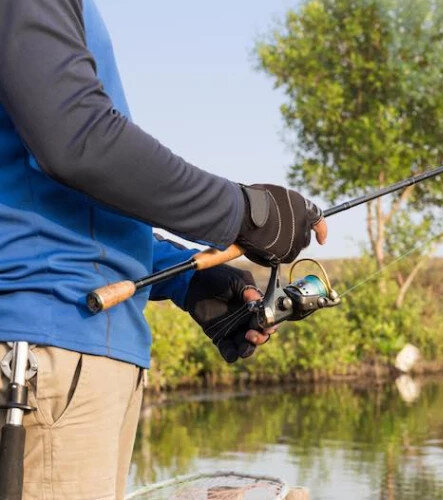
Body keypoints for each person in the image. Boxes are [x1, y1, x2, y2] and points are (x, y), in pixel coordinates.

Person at [0, 0, 327, 498]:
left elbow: (56, 194)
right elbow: (78, 139)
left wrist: (186, 276)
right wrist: (247, 213)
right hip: (47, 350)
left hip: (72, 354)